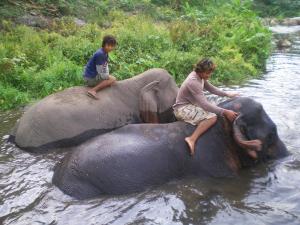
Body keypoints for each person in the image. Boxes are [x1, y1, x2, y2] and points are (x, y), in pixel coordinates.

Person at [173, 58, 239, 156]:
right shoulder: (193, 81)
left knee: (214, 106)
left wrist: (227, 94)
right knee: (212, 118)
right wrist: (225, 112)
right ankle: (192, 139)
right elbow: (204, 104)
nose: (209, 75)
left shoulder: (200, 77)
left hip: (191, 105)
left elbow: (211, 89)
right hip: (182, 109)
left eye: (210, 73)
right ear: (200, 71)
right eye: (207, 73)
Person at [83, 35, 117, 99]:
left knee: (110, 78)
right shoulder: (100, 54)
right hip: (90, 78)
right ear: (104, 44)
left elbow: (105, 65)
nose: (110, 48)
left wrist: (107, 75)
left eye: (112, 46)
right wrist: (108, 79)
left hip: (92, 74)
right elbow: (101, 73)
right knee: (113, 79)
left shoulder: (104, 52)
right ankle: (93, 90)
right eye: (108, 45)